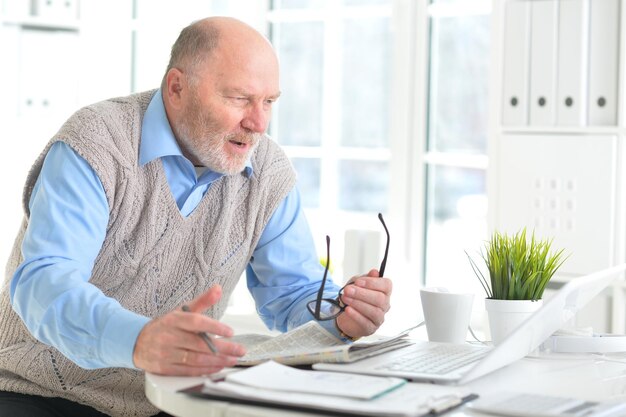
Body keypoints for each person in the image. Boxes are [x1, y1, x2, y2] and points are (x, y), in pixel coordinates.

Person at [0, 16, 392, 417]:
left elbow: (293, 296)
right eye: (239, 98)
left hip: (169, 400)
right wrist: (138, 340)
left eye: (269, 102)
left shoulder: (268, 172)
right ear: (177, 88)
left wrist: (342, 317)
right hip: (36, 392)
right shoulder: (97, 144)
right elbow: (44, 283)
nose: (258, 123)